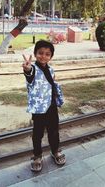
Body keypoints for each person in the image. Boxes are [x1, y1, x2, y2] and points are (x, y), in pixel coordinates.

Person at [22, 40, 66, 172]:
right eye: (40, 53)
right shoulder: (33, 69)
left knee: (54, 131)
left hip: (51, 107)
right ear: (35, 54)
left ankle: (55, 151)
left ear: (51, 56)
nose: (43, 56)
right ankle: (37, 156)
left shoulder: (51, 69)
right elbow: (29, 76)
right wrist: (27, 69)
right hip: (39, 109)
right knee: (37, 134)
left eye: (47, 54)